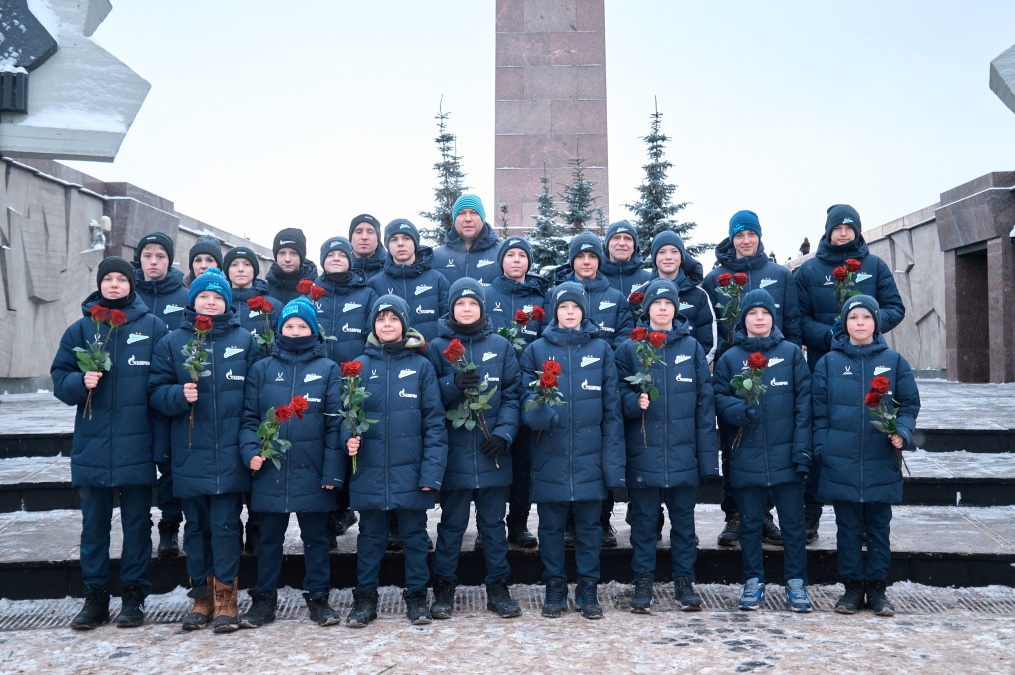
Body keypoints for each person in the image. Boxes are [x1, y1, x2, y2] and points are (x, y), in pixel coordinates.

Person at [51, 256, 168, 629]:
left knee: (137, 525)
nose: (114, 284)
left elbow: (162, 382)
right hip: (93, 446)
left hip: (137, 445)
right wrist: (78, 382)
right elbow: (60, 377)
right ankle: (95, 596)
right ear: (99, 284)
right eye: (108, 279)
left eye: (121, 278)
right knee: (94, 526)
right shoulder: (81, 329)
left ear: (132, 284)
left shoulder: (153, 327)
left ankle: (134, 595)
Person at [149, 268, 258, 632]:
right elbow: (155, 392)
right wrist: (177, 395)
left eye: (217, 297)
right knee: (196, 528)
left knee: (225, 527)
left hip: (230, 453)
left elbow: (255, 397)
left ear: (227, 302)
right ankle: (201, 596)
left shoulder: (245, 341)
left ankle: (226, 598)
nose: (210, 303)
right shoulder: (172, 342)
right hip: (189, 452)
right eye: (203, 297)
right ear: (192, 301)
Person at [795, 204, 907, 542]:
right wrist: (828, 335)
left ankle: (866, 518)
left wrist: (868, 325)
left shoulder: (874, 266)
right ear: (828, 231)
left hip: (870, 366)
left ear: (857, 230)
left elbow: (895, 307)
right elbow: (798, 319)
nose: (843, 233)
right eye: (837, 228)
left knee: (866, 439)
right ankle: (810, 513)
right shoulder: (809, 270)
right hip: (824, 366)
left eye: (849, 228)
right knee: (823, 439)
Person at [519, 282, 625, 620]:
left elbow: (612, 410)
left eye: (575, 307)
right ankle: (554, 584)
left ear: (583, 312)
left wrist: (612, 463)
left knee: (590, 526)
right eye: (563, 307)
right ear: (554, 311)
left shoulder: (602, 349)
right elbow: (526, 404)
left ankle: (588, 586)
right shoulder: (536, 350)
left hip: (590, 454)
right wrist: (540, 410)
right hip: (550, 454)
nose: (569, 312)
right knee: (550, 526)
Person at [237, 297, 344, 628]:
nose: (295, 332)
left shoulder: (328, 369)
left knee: (316, 539)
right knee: (268, 539)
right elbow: (249, 418)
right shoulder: (262, 369)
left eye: (302, 326)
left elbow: (334, 425)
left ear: (313, 330)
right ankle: (264, 599)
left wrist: (332, 472)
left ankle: (318, 598)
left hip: (313, 470)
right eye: (289, 325)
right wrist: (250, 452)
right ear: (279, 329)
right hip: (271, 470)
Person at [343, 295, 448, 628]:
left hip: (411, 471)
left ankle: (417, 596)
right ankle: (365, 599)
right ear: (373, 325)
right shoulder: (359, 366)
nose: (386, 324)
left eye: (393, 318)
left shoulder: (421, 367)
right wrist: (348, 438)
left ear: (404, 323)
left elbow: (434, 424)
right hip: (370, 470)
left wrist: (431, 473)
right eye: (380, 319)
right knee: (370, 537)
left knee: (415, 536)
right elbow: (347, 417)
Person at [615, 278, 717, 613]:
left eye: (668, 303)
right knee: (644, 522)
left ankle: (684, 580)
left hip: (683, 452)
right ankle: (643, 578)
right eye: (656, 304)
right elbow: (616, 395)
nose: (662, 308)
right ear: (647, 310)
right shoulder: (630, 348)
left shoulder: (692, 348)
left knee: (684, 523)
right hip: (644, 452)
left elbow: (704, 405)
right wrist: (634, 403)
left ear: (676, 309)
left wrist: (707, 461)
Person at [813, 295, 919, 617]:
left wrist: (902, 432)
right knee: (846, 528)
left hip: (880, 460)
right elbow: (818, 414)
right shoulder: (828, 363)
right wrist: (823, 448)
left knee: (878, 527)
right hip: (840, 460)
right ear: (844, 323)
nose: (860, 323)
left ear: (876, 323)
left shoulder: (895, 361)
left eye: (866, 317)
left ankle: (877, 589)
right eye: (853, 317)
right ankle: (852, 588)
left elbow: (909, 405)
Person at [424, 278, 523, 619]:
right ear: (451, 308)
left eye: (473, 303)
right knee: (452, 525)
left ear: (482, 308)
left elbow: (512, 395)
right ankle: (444, 587)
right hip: (454, 455)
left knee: (493, 526)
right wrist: (450, 384)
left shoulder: (501, 346)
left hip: (492, 453)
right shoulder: (437, 347)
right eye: (460, 303)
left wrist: (504, 433)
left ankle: (498, 587)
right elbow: (427, 400)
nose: (466, 309)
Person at [702, 210, 800, 549]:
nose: (746, 240)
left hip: (775, 367)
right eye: (739, 235)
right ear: (731, 239)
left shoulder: (779, 275)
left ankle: (764, 515)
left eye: (751, 234)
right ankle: (735, 515)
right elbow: (710, 327)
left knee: (770, 443)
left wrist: (791, 359)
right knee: (735, 445)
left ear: (759, 236)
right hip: (732, 371)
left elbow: (792, 323)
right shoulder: (714, 279)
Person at [712, 289, 813, 612]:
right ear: (743, 318)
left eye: (765, 313)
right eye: (753, 313)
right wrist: (737, 410)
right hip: (747, 456)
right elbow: (718, 398)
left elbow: (804, 404)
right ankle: (753, 581)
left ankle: (796, 583)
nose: (759, 318)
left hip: (787, 456)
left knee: (793, 526)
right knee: (750, 524)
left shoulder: (791, 354)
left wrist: (802, 451)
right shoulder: (730, 358)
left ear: (773, 317)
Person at [549, 231, 633, 546]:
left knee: (600, 452)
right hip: (564, 382)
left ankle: (602, 519)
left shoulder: (615, 297)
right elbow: (548, 333)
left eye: (592, 256)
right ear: (572, 260)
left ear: (600, 260)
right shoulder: (555, 293)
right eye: (581, 256)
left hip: (601, 381)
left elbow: (624, 337)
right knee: (567, 451)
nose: (586, 262)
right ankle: (569, 521)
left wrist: (601, 362)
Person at [483, 236, 550, 548]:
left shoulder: (541, 298)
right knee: (492, 460)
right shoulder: (486, 294)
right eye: (510, 255)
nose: (516, 260)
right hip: (492, 391)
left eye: (522, 255)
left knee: (523, 461)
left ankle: (519, 522)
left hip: (527, 389)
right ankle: (489, 526)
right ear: (501, 261)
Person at [315, 236, 378, 544]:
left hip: (354, 383)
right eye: (331, 255)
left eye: (342, 254)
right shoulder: (311, 293)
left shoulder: (366, 293)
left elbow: (372, 336)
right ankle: (329, 517)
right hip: (319, 383)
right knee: (324, 448)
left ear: (351, 260)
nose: (336, 258)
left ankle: (353, 510)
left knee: (352, 445)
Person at [132, 231, 186, 556]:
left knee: (170, 466)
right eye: (147, 256)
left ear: (169, 260)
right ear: (139, 259)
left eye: (160, 256)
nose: (153, 262)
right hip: (134, 399)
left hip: (169, 397)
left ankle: (169, 527)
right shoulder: (128, 293)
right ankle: (140, 528)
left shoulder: (185, 296)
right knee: (138, 468)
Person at [367, 218, 449, 343]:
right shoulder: (375, 284)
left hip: (428, 353)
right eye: (394, 239)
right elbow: (370, 329)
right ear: (387, 245)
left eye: (406, 238)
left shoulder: (437, 279)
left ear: (415, 242)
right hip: (390, 354)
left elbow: (447, 322)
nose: (400, 243)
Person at [649, 230, 718, 364]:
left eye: (674, 251)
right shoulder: (642, 293)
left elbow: (708, 343)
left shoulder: (699, 295)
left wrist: (692, 369)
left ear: (682, 257)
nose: (668, 257)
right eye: (662, 252)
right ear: (654, 257)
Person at [224, 246, 282, 360]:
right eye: (234, 264)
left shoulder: (274, 306)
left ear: (254, 269)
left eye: (247, 264)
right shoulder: (217, 304)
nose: (240, 269)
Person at [433, 193, 502, 285]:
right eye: (461, 213)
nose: (468, 219)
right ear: (454, 220)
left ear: (482, 218)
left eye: (474, 213)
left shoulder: (502, 256)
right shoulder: (436, 257)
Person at [264, 227, 319, 304]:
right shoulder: (263, 290)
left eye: (293, 253)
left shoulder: (316, 291)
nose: (287, 259)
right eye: (282, 253)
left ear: (301, 257)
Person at [599, 220, 651, 298]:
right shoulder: (594, 278)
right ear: (607, 245)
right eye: (616, 238)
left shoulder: (648, 280)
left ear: (634, 247)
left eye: (628, 238)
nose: (622, 243)